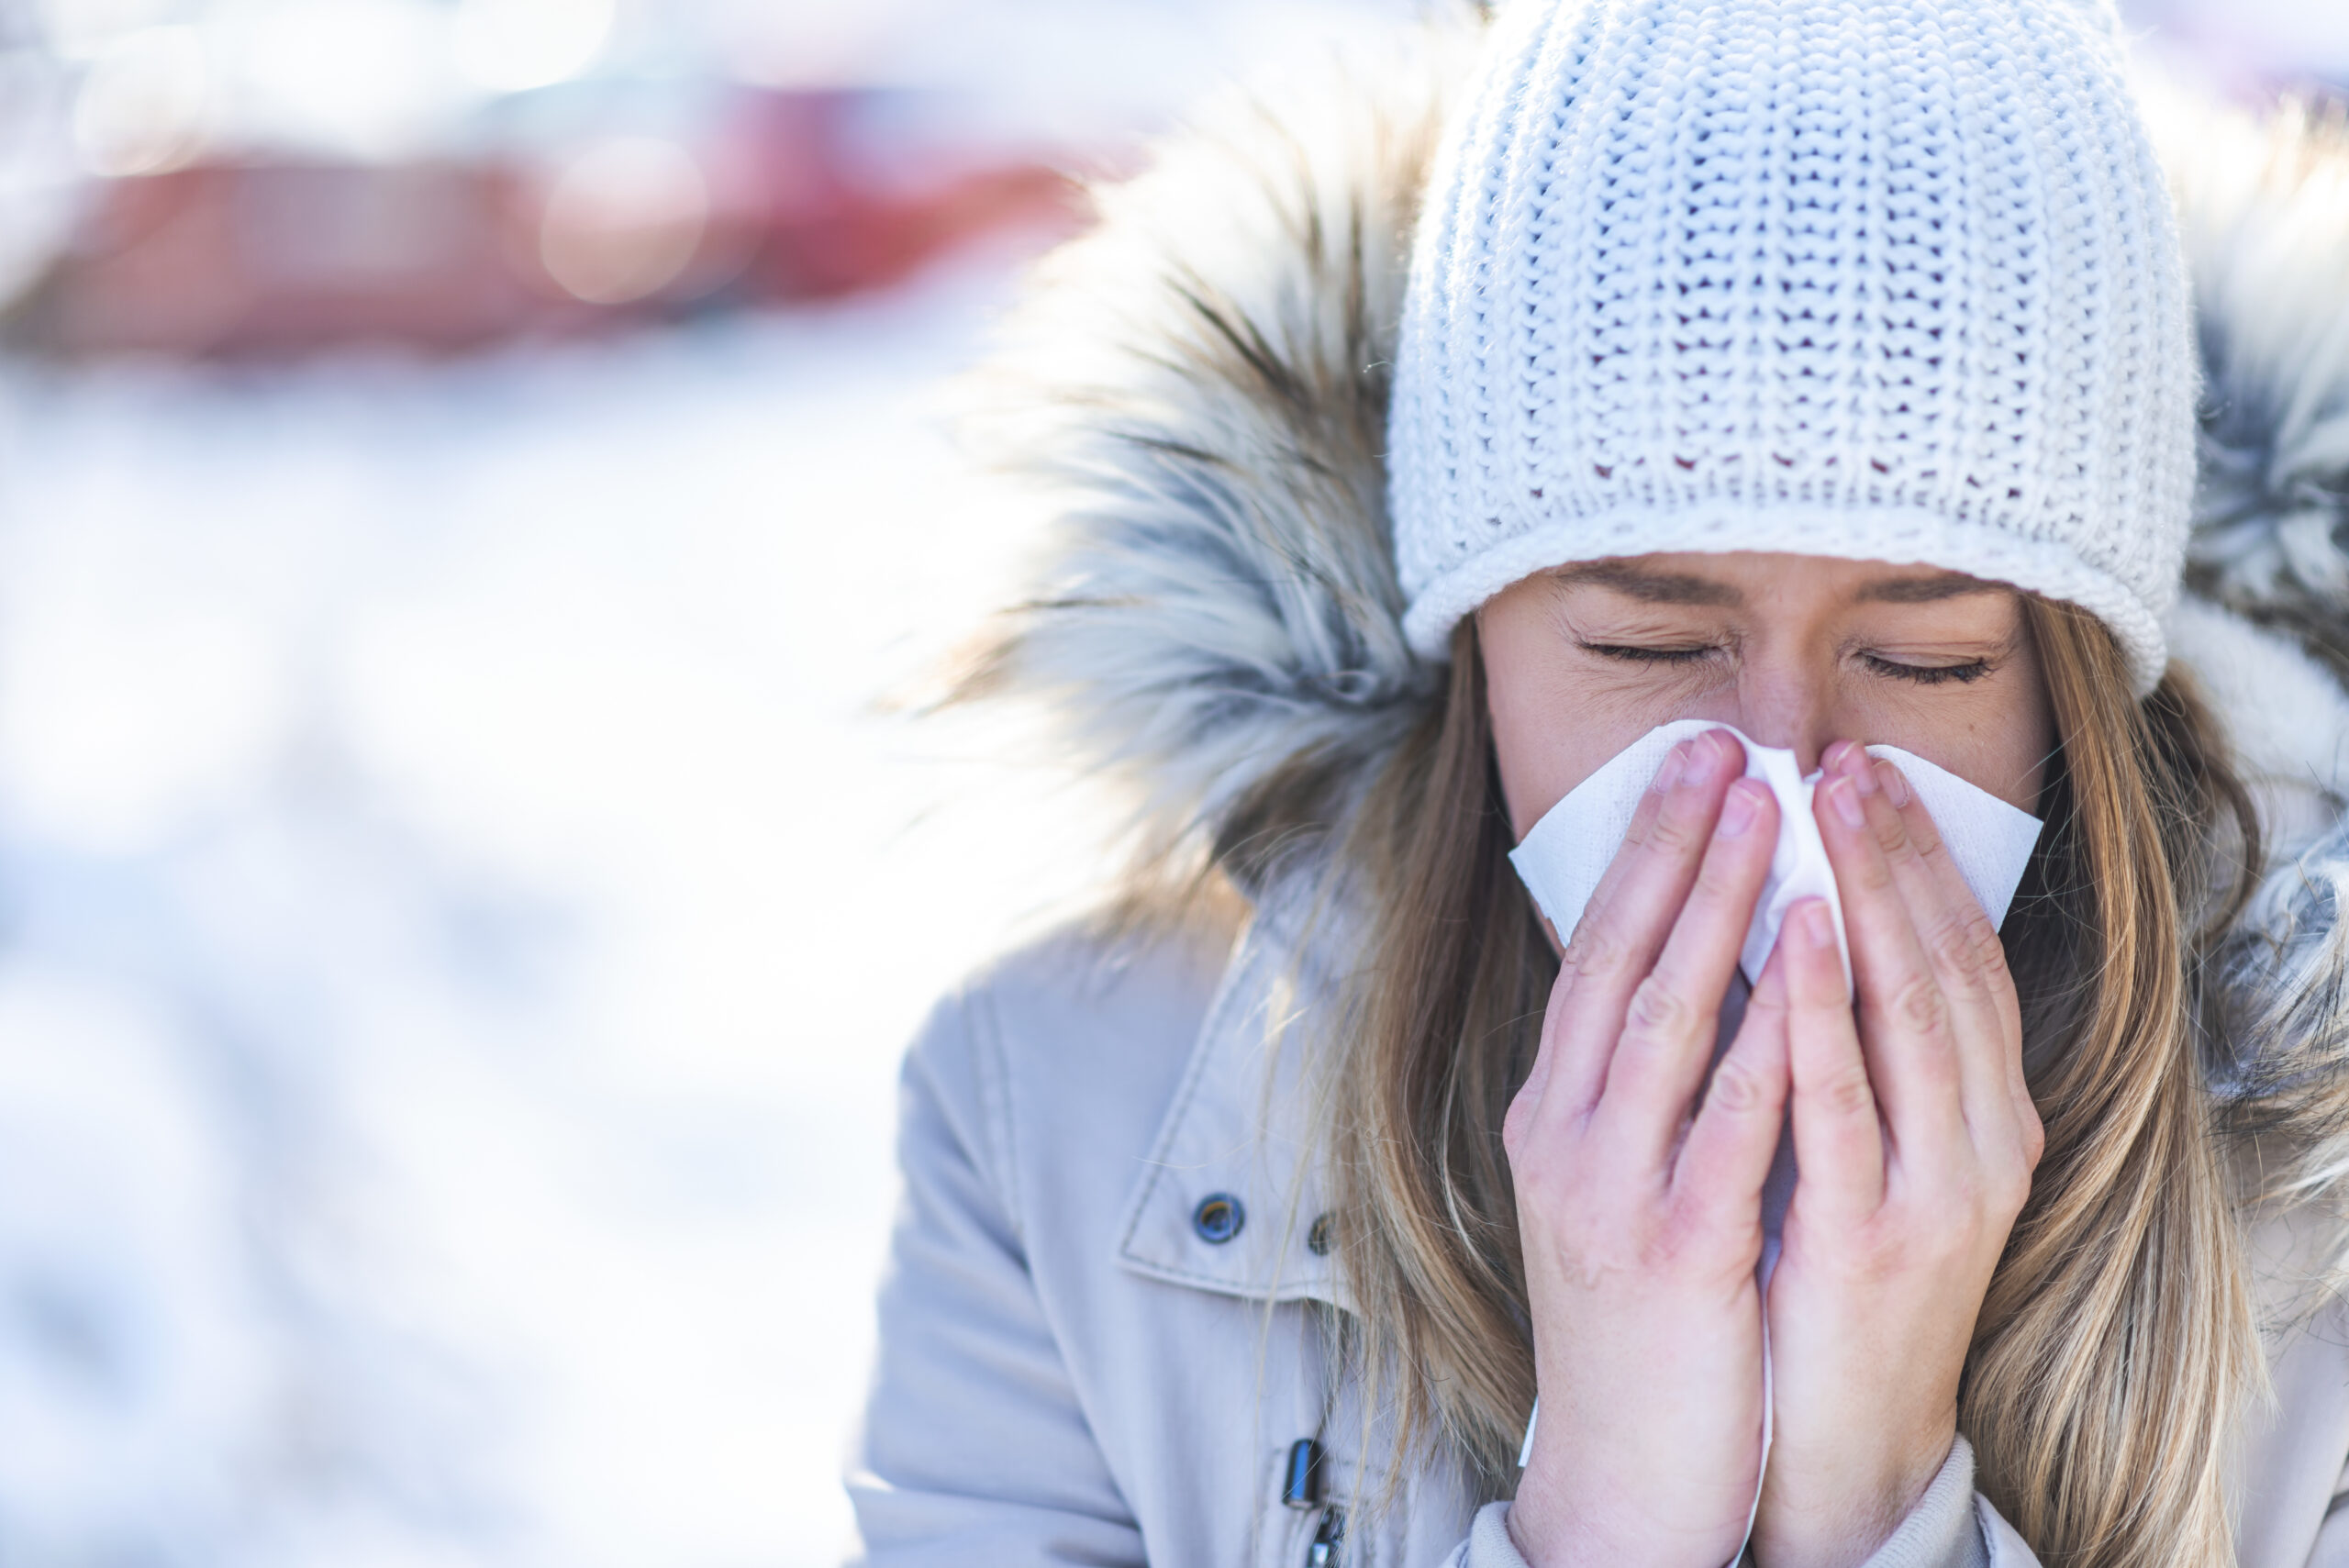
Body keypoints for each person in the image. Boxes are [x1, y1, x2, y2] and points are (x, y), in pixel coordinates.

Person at [845, 1, 2349, 1563]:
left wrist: (1870, 1511)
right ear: (1471, 635)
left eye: (1927, 660)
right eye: (1649, 641)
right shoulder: (1057, 1125)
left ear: (2074, 685)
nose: (1776, 774)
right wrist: (1604, 1520)